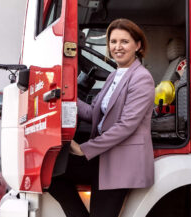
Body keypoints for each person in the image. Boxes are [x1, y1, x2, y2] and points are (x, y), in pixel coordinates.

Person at [48, 18, 155, 217]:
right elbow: (93, 112)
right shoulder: (113, 76)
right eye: (113, 42)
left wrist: (83, 149)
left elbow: (126, 125)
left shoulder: (142, 78)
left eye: (124, 41)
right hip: (104, 156)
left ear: (138, 45)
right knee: (53, 174)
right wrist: (65, 97)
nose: (117, 47)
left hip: (122, 162)